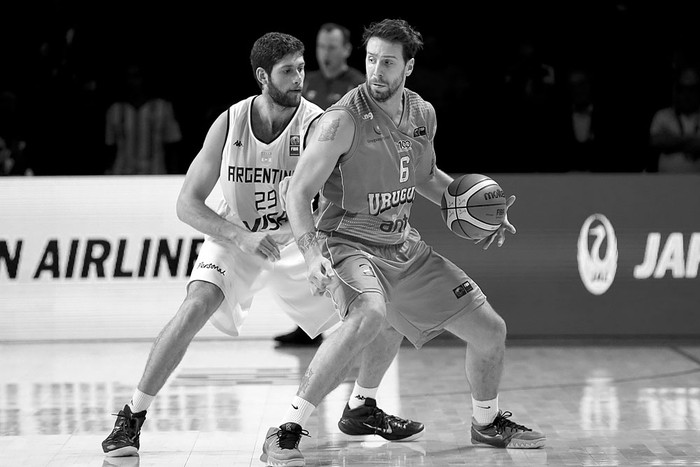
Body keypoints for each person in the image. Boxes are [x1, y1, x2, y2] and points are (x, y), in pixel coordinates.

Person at [101, 31, 423, 458]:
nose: (298, 78)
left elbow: (336, 195)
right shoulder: (230, 122)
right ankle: (133, 417)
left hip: (296, 240)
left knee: (385, 310)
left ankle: (362, 404)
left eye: (301, 69)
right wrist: (240, 236)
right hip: (238, 235)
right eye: (288, 71)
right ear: (262, 76)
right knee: (196, 303)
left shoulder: (319, 123)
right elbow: (186, 204)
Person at [260, 19, 546, 466]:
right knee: (371, 313)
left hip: (402, 247)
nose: (376, 70)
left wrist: (469, 207)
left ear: (408, 67)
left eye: (388, 62)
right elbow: (295, 192)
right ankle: (288, 427)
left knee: (491, 331)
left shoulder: (422, 114)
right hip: (346, 242)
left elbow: (427, 177)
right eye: (371, 59)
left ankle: (482, 421)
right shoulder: (341, 121)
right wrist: (312, 253)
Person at [274, 23, 366, 347]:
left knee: (340, 251)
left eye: (332, 47)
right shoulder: (305, 83)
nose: (326, 53)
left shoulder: (359, 85)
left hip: (344, 183)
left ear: (346, 49)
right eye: (321, 47)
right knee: (307, 251)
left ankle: (352, 322)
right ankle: (308, 326)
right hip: (310, 180)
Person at [104, 62, 183, 175]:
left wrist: (173, 176)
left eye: (136, 76)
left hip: (155, 173)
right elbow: (110, 147)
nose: (133, 82)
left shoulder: (162, 108)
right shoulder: (115, 110)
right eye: (129, 77)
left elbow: (173, 146)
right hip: (121, 174)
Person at [649, 64, 700, 172]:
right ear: (676, 91)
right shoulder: (663, 115)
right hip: (667, 183)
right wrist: (691, 139)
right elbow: (656, 141)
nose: (687, 95)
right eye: (683, 89)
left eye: (692, 90)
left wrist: (673, 141)